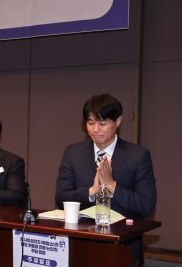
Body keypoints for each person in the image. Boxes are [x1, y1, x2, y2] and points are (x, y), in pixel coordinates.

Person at [55, 94, 156, 222]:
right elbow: (61, 198)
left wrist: (111, 185)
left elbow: (147, 206)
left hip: (122, 232)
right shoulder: (73, 153)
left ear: (118, 121)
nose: (95, 129)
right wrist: (92, 191)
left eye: (102, 123)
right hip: (82, 231)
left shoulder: (138, 156)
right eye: (90, 123)